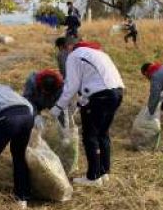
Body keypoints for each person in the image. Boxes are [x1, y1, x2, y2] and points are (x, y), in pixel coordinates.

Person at [50, 40, 124, 186]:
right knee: (103, 133)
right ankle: (104, 172)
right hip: (117, 93)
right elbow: (92, 82)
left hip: (100, 96)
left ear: (71, 47)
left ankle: (93, 176)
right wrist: (79, 105)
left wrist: (57, 108)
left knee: (90, 136)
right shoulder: (99, 53)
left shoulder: (74, 56)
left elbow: (71, 86)